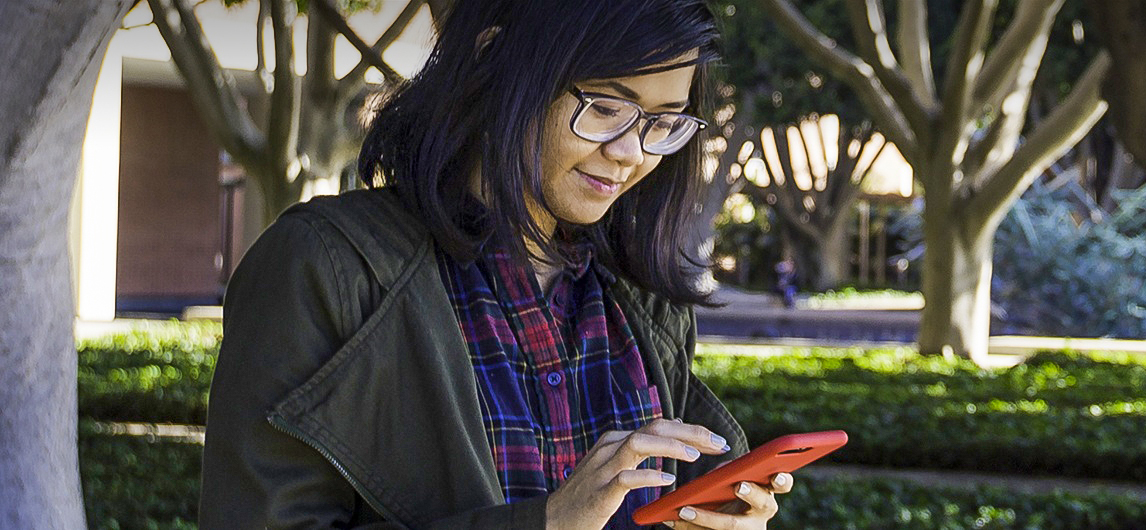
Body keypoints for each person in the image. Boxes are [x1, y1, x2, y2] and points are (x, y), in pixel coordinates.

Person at [200, 1, 790, 528]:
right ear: (496, 62)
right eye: (607, 108)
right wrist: (550, 522)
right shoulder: (327, 267)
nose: (630, 154)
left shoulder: (642, 297)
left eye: (662, 123)